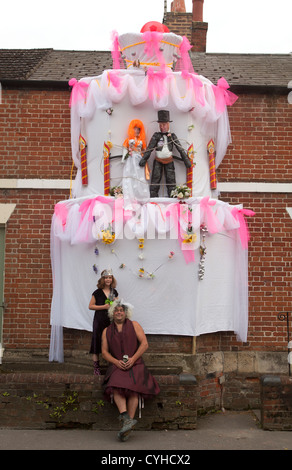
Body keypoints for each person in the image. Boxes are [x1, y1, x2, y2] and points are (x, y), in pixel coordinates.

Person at [101, 300, 160, 441]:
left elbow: (144, 344)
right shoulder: (106, 331)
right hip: (117, 364)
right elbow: (104, 352)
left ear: (126, 313)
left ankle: (127, 424)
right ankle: (127, 420)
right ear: (112, 313)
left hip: (136, 363)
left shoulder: (135, 325)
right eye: (116, 310)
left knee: (134, 387)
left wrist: (133, 359)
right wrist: (116, 362)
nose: (119, 312)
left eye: (121, 310)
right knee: (115, 384)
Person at [139, 110, 192, 197]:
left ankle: (172, 198)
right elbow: (150, 148)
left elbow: (180, 149)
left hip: (169, 161)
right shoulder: (156, 135)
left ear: (168, 124)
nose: (162, 127)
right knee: (155, 180)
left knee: (171, 181)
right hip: (158, 161)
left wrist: (187, 161)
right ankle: (153, 199)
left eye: (164, 124)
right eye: (160, 125)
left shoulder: (172, 136)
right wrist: (144, 159)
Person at [89, 269, 118, 375]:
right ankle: (96, 368)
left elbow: (116, 306)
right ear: (102, 279)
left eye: (110, 277)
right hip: (99, 320)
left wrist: (116, 302)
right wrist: (104, 307)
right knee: (96, 342)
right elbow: (91, 306)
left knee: (111, 342)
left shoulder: (113, 292)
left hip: (110, 320)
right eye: (106, 278)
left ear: (112, 279)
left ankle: (112, 366)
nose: (108, 279)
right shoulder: (97, 292)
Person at [122, 119, 150, 208]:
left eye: (138, 129)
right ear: (131, 129)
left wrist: (145, 160)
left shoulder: (142, 141)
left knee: (139, 176)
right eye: (135, 128)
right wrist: (123, 158)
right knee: (130, 176)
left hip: (139, 160)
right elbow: (124, 149)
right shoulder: (128, 140)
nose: (136, 131)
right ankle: (131, 196)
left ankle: (140, 196)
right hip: (130, 159)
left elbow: (145, 151)